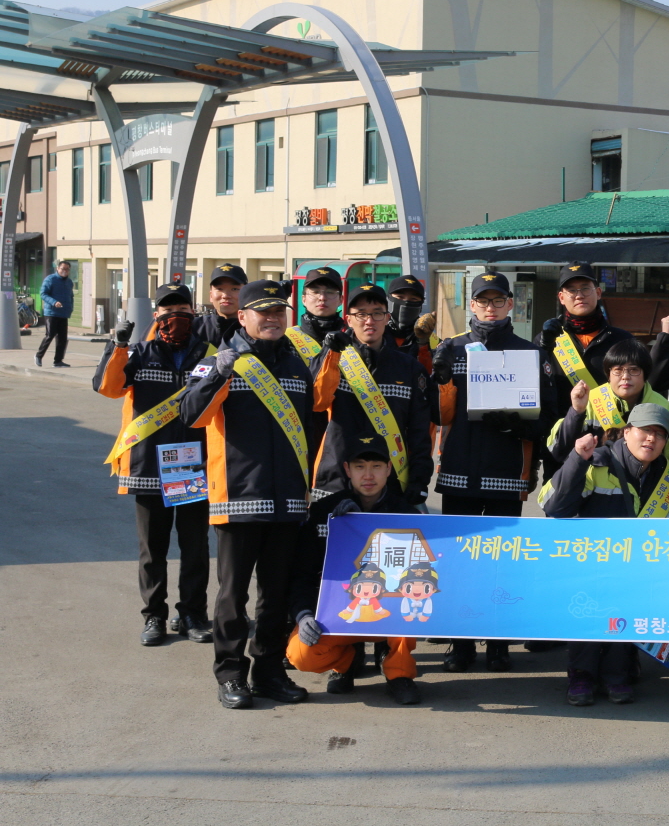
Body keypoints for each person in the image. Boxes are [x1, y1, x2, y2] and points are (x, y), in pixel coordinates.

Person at [180, 278, 324, 709]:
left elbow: (311, 430)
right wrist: (219, 373)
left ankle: (268, 671)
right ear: (242, 317)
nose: (273, 319)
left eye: (279, 312)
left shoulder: (298, 366)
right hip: (238, 499)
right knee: (233, 595)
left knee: (276, 594)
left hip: (288, 501)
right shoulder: (219, 362)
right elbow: (190, 414)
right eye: (264, 312)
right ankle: (230, 674)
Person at [432, 272, 549, 674]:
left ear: (511, 304)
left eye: (498, 300)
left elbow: (547, 415)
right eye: (483, 300)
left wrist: (521, 428)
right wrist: (440, 379)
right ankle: (461, 643)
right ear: (472, 304)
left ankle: (499, 643)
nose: (491, 308)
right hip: (459, 469)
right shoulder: (452, 349)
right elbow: (437, 414)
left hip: (507, 470)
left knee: (503, 561)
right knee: (459, 561)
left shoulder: (528, 352)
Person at [94, 283, 214, 646]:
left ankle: (192, 614)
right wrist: (117, 346)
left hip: (194, 465)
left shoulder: (210, 354)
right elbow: (108, 387)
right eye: (168, 309)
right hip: (148, 465)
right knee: (153, 550)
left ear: (194, 312)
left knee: (195, 548)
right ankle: (154, 616)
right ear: (156, 314)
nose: (176, 315)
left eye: (183, 308)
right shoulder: (139, 353)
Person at [542, 403, 669, 705]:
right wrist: (577, 460)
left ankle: (616, 675)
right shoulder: (596, 462)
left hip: (637, 569)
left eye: (660, 434)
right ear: (627, 431)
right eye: (645, 431)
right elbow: (554, 507)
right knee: (588, 616)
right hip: (589, 565)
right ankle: (581, 676)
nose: (651, 439)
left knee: (626, 613)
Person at [285, 435, 423, 705]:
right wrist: (303, 615)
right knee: (301, 655)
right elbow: (302, 574)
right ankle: (346, 662)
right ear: (347, 470)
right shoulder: (323, 512)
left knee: (413, 599)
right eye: (360, 467)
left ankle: (399, 673)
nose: (368, 475)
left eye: (376, 467)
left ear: (389, 469)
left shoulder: (407, 515)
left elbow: (423, 573)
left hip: (389, 613)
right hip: (339, 615)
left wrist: (364, 521)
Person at [309, 284, 432, 508]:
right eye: (361, 314)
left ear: (387, 318)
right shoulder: (332, 359)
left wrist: (419, 477)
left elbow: (419, 430)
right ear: (348, 319)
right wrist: (330, 353)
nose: (369, 321)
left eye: (377, 314)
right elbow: (316, 403)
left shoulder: (409, 368)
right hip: (336, 478)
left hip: (391, 481)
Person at [536, 263, 636, 430]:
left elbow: (639, 388)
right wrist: (544, 347)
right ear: (561, 297)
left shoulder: (623, 340)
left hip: (610, 433)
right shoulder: (547, 339)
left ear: (598, 293)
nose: (579, 295)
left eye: (585, 289)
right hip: (561, 433)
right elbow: (531, 384)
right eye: (572, 290)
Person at [548, 339, 669, 462]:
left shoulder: (664, 407)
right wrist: (576, 412)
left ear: (645, 374)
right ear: (608, 374)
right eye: (618, 370)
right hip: (594, 475)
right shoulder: (590, 400)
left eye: (634, 370)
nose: (625, 376)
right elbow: (558, 451)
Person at [384, 273, 437, 374]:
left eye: (413, 299)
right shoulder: (376, 331)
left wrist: (423, 343)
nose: (406, 303)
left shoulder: (433, 340)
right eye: (400, 297)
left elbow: (431, 375)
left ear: (420, 305)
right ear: (388, 300)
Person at [287, 267, 344, 360]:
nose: (322, 298)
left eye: (330, 292)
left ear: (341, 300)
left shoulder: (351, 341)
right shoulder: (286, 341)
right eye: (315, 292)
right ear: (304, 299)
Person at [193, 264, 247, 348]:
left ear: (246, 294)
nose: (226, 296)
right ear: (211, 295)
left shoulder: (255, 329)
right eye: (219, 289)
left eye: (234, 289)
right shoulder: (194, 327)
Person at [35, 259, 73, 367]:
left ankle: (58, 361)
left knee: (62, 338)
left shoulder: (69, 282)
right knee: (50, 335)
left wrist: (70, 308)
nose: (64, 271)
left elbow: (71, 296)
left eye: (67, 269)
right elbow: (43, 294)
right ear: (57, 268)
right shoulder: (50, 279)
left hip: (63, 313)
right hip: (51, 312)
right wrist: (54, 302)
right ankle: (38, 356)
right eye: (62, 268)